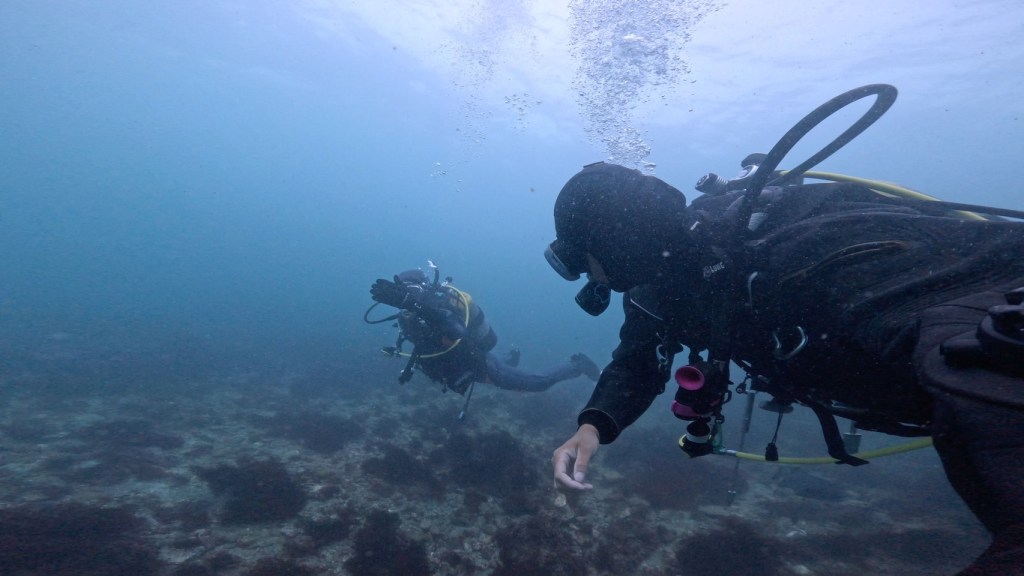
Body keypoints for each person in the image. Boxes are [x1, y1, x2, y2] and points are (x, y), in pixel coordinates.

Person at [543, 88, 1024, 575]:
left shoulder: (788, 240)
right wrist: (593, 428)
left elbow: (963, 327)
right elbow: (637, 362)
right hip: (926, 402)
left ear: (618, 245)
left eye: (583, 261)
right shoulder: (662, 286)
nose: (588, 279)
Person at [366, 263, 599, 408]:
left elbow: (456, 330)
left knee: (535, 384)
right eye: (403, 290)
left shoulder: (434, 304)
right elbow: (424, 344)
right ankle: (509, 359)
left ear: (423, 288)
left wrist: (415, 305)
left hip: (475, 364)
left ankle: (577, 364)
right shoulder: (407, 316)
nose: (408, 295)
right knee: (502, 366)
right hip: (461, 366)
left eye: (412, 290)